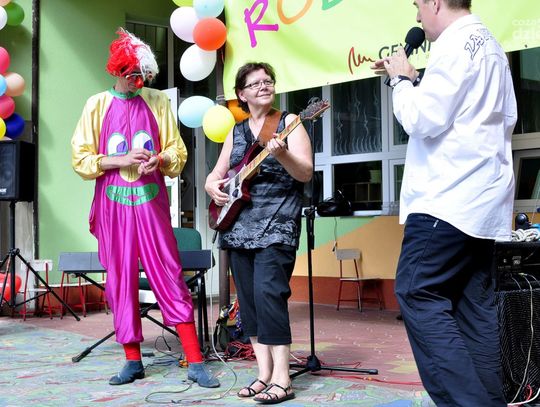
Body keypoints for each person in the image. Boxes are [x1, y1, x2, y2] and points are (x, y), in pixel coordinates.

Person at [371, 1, 517, 406]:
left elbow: (423, 120)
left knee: (417, 292)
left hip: (447, 198)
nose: (417, 17)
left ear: (435, 2)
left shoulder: (452, 45)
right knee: (473, 309)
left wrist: (401, 82)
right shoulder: (489, 45)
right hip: (482, 202)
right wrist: (416, 78)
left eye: (419, 5)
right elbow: (466, 114)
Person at [71, 29, 219, 388]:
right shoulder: (96, 105)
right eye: (131, 75)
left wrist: (160, 159)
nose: (137, 82)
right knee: (120, 279)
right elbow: (80, 159)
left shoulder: (157, 101)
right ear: (116, 71)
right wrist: (119, 159)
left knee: (169, 271)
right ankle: (132, 360)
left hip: (151, 204)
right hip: (113, 206)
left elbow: (177, 151)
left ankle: (195, 360)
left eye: (142, 75)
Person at [205, 62, 313, 404]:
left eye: (268, 81)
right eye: (255, 83)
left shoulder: (290, 122)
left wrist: (283, 155)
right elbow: (216, 175)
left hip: (277, 224)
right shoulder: (236, 132)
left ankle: (283, 378)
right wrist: (211, 186)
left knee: (269, 294)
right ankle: (263, 374)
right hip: (238, 226)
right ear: (242, 94)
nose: (264, 86)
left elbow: (305, 173)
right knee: (249, 302)